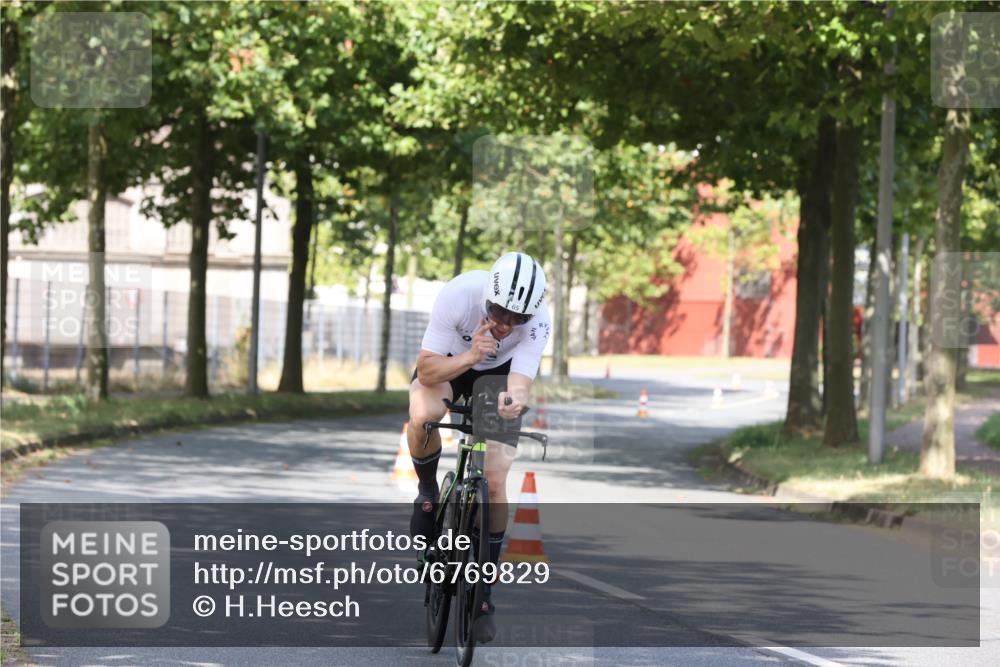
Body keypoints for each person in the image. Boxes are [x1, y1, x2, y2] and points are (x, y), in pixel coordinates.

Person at [407, 251, 550, 643]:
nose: (505, 324)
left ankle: (484, 591)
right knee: (423, 414)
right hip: (451, 364)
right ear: (488, 294)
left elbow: (520, 380)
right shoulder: (460, 294)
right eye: (499, 311)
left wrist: (514, 401)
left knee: (497, 480)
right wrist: (471, 354)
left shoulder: (538, 322)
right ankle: (428, 490)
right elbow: (425, 369)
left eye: (516, 319)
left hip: (497, 380)